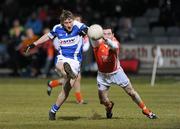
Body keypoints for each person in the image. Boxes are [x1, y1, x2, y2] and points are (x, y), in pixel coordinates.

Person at [25, 10, 88, 120]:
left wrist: (86, 32)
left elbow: (90, 30)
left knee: (66, 91)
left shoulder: (79, 25)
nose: (69, 25)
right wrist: (34, 44)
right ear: (62, 23)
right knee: (61, 65)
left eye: (70, 22)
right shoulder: (57, 28)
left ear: (73, 20)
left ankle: (53, 110)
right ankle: (68, 73)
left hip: (75, 61)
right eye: (66, 23)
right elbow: (47, 36)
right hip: (62, 58)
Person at [89, 25, 157, 119]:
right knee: (103, 101)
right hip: (102, 75)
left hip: (116, 72)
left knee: (131, 92)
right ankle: (109, 107)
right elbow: (91, 36)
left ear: (113, 35)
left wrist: (107, 40)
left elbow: (113, 46)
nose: (106, 35)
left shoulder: (115, 42)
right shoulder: (96, 43)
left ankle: (146, 111)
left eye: (109, 34)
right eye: (104, 34)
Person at [47, 14, 90, 104]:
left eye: (79, 21)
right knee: (74, 78)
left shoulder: (81, 33)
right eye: (76, 20)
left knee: (72, 78)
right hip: (63, 59)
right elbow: (56, 44)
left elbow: (86, 46)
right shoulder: (61, 31)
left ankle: (52, 84)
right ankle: (79, 99)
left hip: (75, 59)